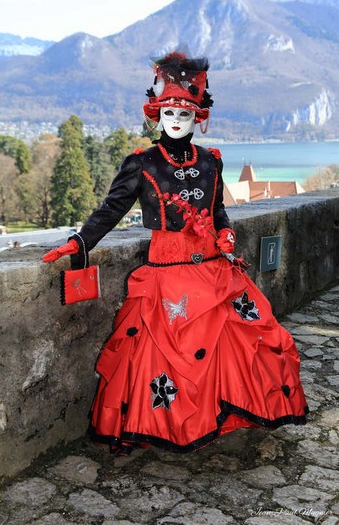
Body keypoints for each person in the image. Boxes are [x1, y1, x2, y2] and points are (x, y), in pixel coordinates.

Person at [43, 52, 308, 454]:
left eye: (185, 115)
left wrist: (226, 235)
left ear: (197, 117)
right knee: (163, 357)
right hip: (166, 274)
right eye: (169, 113)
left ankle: (222, 417)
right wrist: (81, 241)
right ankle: (171, 426)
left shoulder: (210, 161)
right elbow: (112, 208)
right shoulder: (142, 163)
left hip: (216, 270)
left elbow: (218, 209)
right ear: (158, 114)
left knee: (251, 340)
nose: (177, 120)